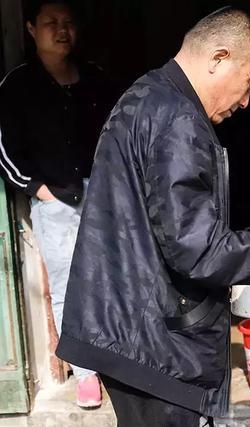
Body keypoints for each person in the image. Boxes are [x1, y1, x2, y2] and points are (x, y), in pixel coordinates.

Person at [55, 6, 250, 426]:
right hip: (153, 342)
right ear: (219, 58)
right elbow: (198, 250)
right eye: (249, 84)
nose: (245, 101)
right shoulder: (177, 120)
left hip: (133, 327)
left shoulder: (148, 96)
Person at [0, 0, 115, 408]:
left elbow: (117, 134)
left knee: (116, 277)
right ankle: (86, 373)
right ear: (30, 29)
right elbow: (6, 151)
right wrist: (38, 189)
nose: (61, 30)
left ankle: (119, 359)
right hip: (57, 203)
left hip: (104, 197)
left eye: (68, 22)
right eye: (51, 23)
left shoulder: (96, 79)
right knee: (69, 287)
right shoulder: (17, 86)